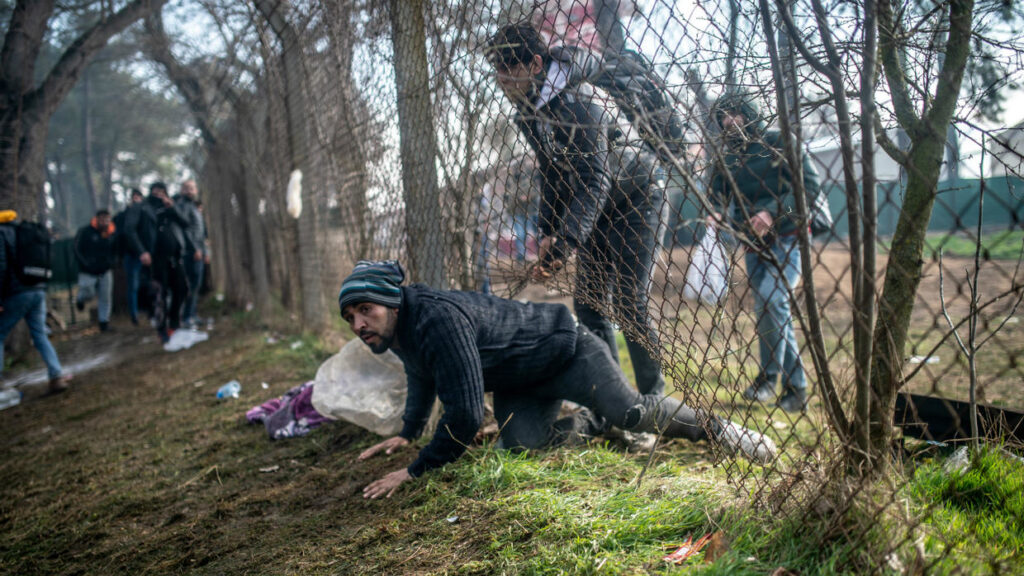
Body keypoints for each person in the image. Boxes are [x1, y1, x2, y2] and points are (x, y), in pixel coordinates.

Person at [341, 260, 776, 499]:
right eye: (351, 317)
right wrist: (409, 431)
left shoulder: (435, 319)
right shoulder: (398, 328)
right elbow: (422, 377)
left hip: (566, 349)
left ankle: (718, 430)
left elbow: (467, 415)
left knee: (631, 409)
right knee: (523, 448)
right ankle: (595, 423)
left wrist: (416, 471)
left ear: (390, 302)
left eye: (366, 310)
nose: (360, 323)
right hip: (520, 380)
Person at [485, 23, 669, 397]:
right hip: (596, 208)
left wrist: (567, 239)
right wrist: (548, 228)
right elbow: (551, 170)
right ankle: (616, 400)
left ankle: (655, 402)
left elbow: (594, 178)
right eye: (497, 70)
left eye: (508, 68)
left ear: (535, 63)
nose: (500, 79)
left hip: (637, 196)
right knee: (588, 306)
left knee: (629, 305)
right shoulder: (529, 111)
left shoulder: (579, 100)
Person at [707, 93, 820, 412]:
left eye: (735, 113)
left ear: (750, 113)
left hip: (789, 235)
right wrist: (714, 211)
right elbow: (716, 192)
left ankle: (795, 387)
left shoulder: (781, 141)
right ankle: (769, 379)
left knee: (774, 300)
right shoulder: (726, 157)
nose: (730, 121)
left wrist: (771, 212)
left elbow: (809, 188)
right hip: (752, 243)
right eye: (723, 117)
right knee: (766, 309)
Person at [0, 210, 72, 393]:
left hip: (18, 292)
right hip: (38, 290)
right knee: (39, 335)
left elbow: (1, 266)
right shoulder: (23, 232)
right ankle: (56, 376)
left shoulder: (2, 233)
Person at [73, 210, 117, 331]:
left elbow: (116, 250)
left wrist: (111, 262)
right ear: (97, 219)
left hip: (105, 270)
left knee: (105, 297)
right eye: (102, 219)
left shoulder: (111, 234)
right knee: (89, 293)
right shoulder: (85, 232)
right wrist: (85, 264)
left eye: (107, 219)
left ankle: (104, 323)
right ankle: (80, 299)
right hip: (88, 271)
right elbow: (77, 249)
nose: (104, 222)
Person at [116, 187, 150, 326]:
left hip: (146, 254)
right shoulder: (124, 215)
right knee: (133, 286)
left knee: (148, 284)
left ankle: (149, 310)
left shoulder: (146, 212)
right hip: (131, 255)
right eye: (133, 197)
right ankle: (134, 314)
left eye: (138, 197)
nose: (136, 199)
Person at [175, 180, 206, 327]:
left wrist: (204, 250)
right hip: (190, 253)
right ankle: (186, 316)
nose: (190, 191)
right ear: (182, 190)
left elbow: (199, 232)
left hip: (198, 251)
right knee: (189, 286)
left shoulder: (193, 206)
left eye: (192, 188)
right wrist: (194, 249)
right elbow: (186, 230)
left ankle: (192, 314)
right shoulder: (183, 206)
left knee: (196, 285)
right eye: (186, 188)